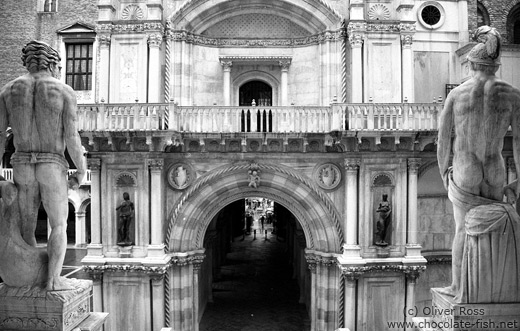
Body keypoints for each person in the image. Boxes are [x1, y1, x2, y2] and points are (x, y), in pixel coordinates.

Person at [437, 26, 520, 298]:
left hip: (465, 169)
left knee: (462, 230)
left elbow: (443, 142)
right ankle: (489, 291)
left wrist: (443, 174)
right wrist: (519, 178)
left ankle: (458, 287)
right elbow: (518, 142)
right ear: (497, 65)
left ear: (471, 64)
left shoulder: (457, 94)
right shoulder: (512, 94)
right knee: (493, 231)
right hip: (496, 169)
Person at [0, 40, 87, 291]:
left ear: (25, 61)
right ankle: (52, 281)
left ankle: (27, 280)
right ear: (53, 63)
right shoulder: (63, 91)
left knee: (26, 223)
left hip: (22, 162)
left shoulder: (8, 91)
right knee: (59, 224)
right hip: (51, 162)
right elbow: (72, 137)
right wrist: (80, 170)